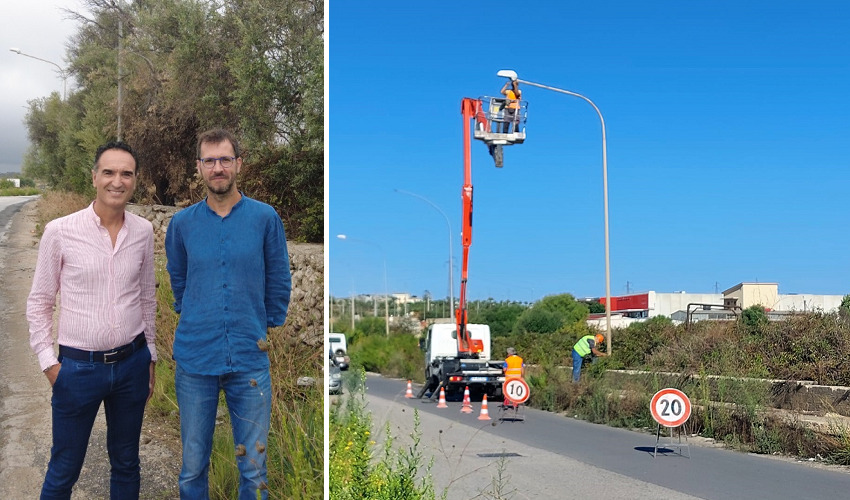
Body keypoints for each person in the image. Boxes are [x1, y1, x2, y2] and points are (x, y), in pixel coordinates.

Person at [165, 128, 292, 499]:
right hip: (194, 360)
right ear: (199, 167)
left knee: (254, 469)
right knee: (192, 468)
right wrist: (193, 313)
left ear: (238, 163)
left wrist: (263, 324)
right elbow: (178, 280)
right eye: (209, 160)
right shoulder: (182, 224)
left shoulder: (265, 218)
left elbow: (278, 277)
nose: (217, 168)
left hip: (250, 360)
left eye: (224, 159)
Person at [27, 141, 157, 499]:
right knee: (64, 467)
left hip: (132, 364)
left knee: (127, 462)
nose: (118, 181)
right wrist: (49, 364)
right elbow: (39, 301)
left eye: (126, 173)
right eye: (109, 172)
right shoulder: (60, 231)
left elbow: (147, 296)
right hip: (78, 369)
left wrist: (151, 355)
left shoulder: (144, 231)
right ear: (95, 177)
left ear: (134, 180)